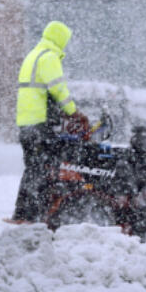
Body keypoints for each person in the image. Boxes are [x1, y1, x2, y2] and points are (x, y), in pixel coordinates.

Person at [8, 21, 91, 224]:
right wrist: (75, 113)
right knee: (46, 169)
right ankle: (35, 215)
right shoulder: (49, 57)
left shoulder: (33, 55)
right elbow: (58, 89)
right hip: (40, 124)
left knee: (34, 168)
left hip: (27, 123)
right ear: (60, 38)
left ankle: (24, 213)